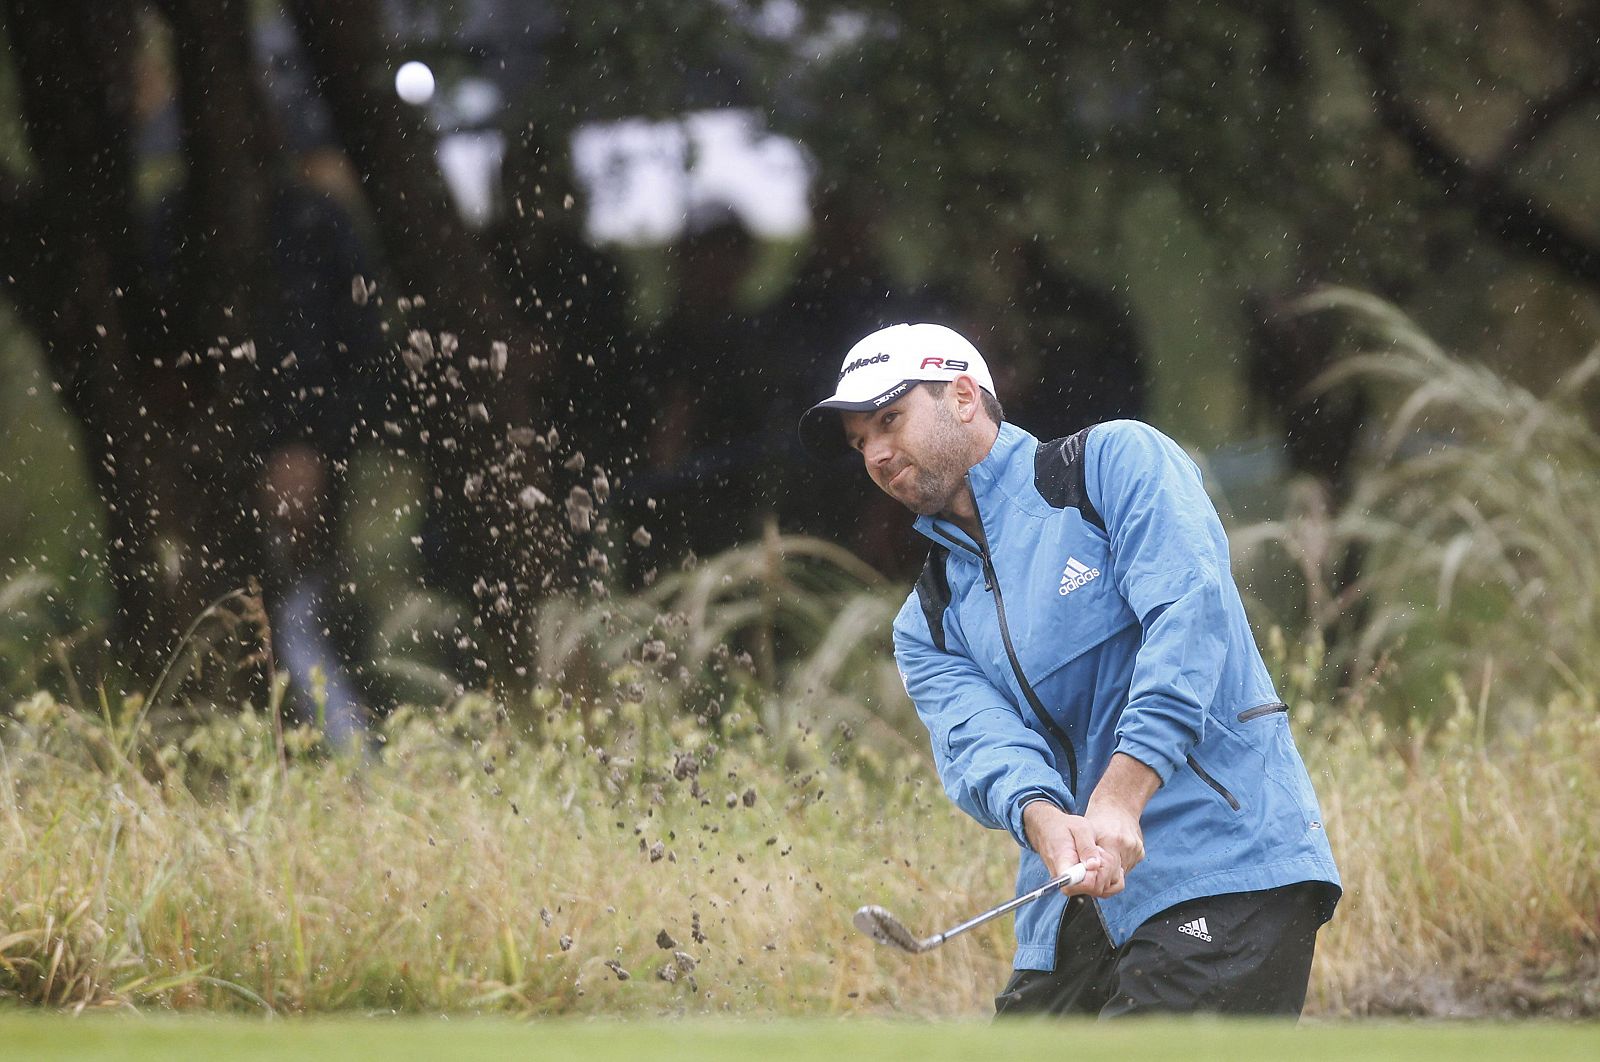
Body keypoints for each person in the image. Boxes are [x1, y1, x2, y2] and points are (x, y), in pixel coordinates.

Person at [798, 323, 1341, 1018]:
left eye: (889, 421)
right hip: (1074, 909)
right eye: (859, 442)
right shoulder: (926, 620)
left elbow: (1188, 618)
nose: (875, 453)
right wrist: (1045, 820)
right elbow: (984, 746)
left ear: (963, 396)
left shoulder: (1114, 465)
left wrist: (1121, 794)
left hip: (1224, 865)